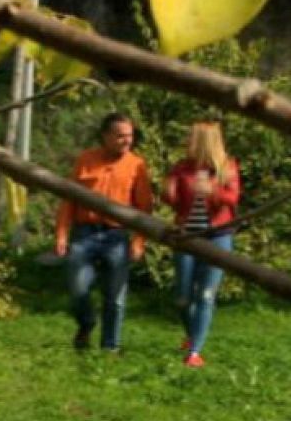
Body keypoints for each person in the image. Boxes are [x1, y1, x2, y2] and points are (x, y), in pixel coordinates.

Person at [54, 112, 153, 352]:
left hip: (116, 236)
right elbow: (69, 199)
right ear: (106, 136)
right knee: (78, 288)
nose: (126, 141)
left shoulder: (137, 164)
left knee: (115, 297)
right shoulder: (86, 159)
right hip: (84, 233)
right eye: (120, 136)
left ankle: (110, 348)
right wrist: (62, 234)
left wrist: (139, 241)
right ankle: (86, 323)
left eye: (129, 136)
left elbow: (144, 208)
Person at [164, 121, 240, 368]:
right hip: (188, 236)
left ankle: (195, 351)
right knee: (183, 297)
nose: (188, 142)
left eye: (192, 138)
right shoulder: (182, 168)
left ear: (205, 142)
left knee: (206, 295)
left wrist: (212, 192)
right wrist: (169, 191)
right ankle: (191, 334)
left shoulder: (226, 167)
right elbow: (173, 202)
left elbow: (233, 198)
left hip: (218, 235)